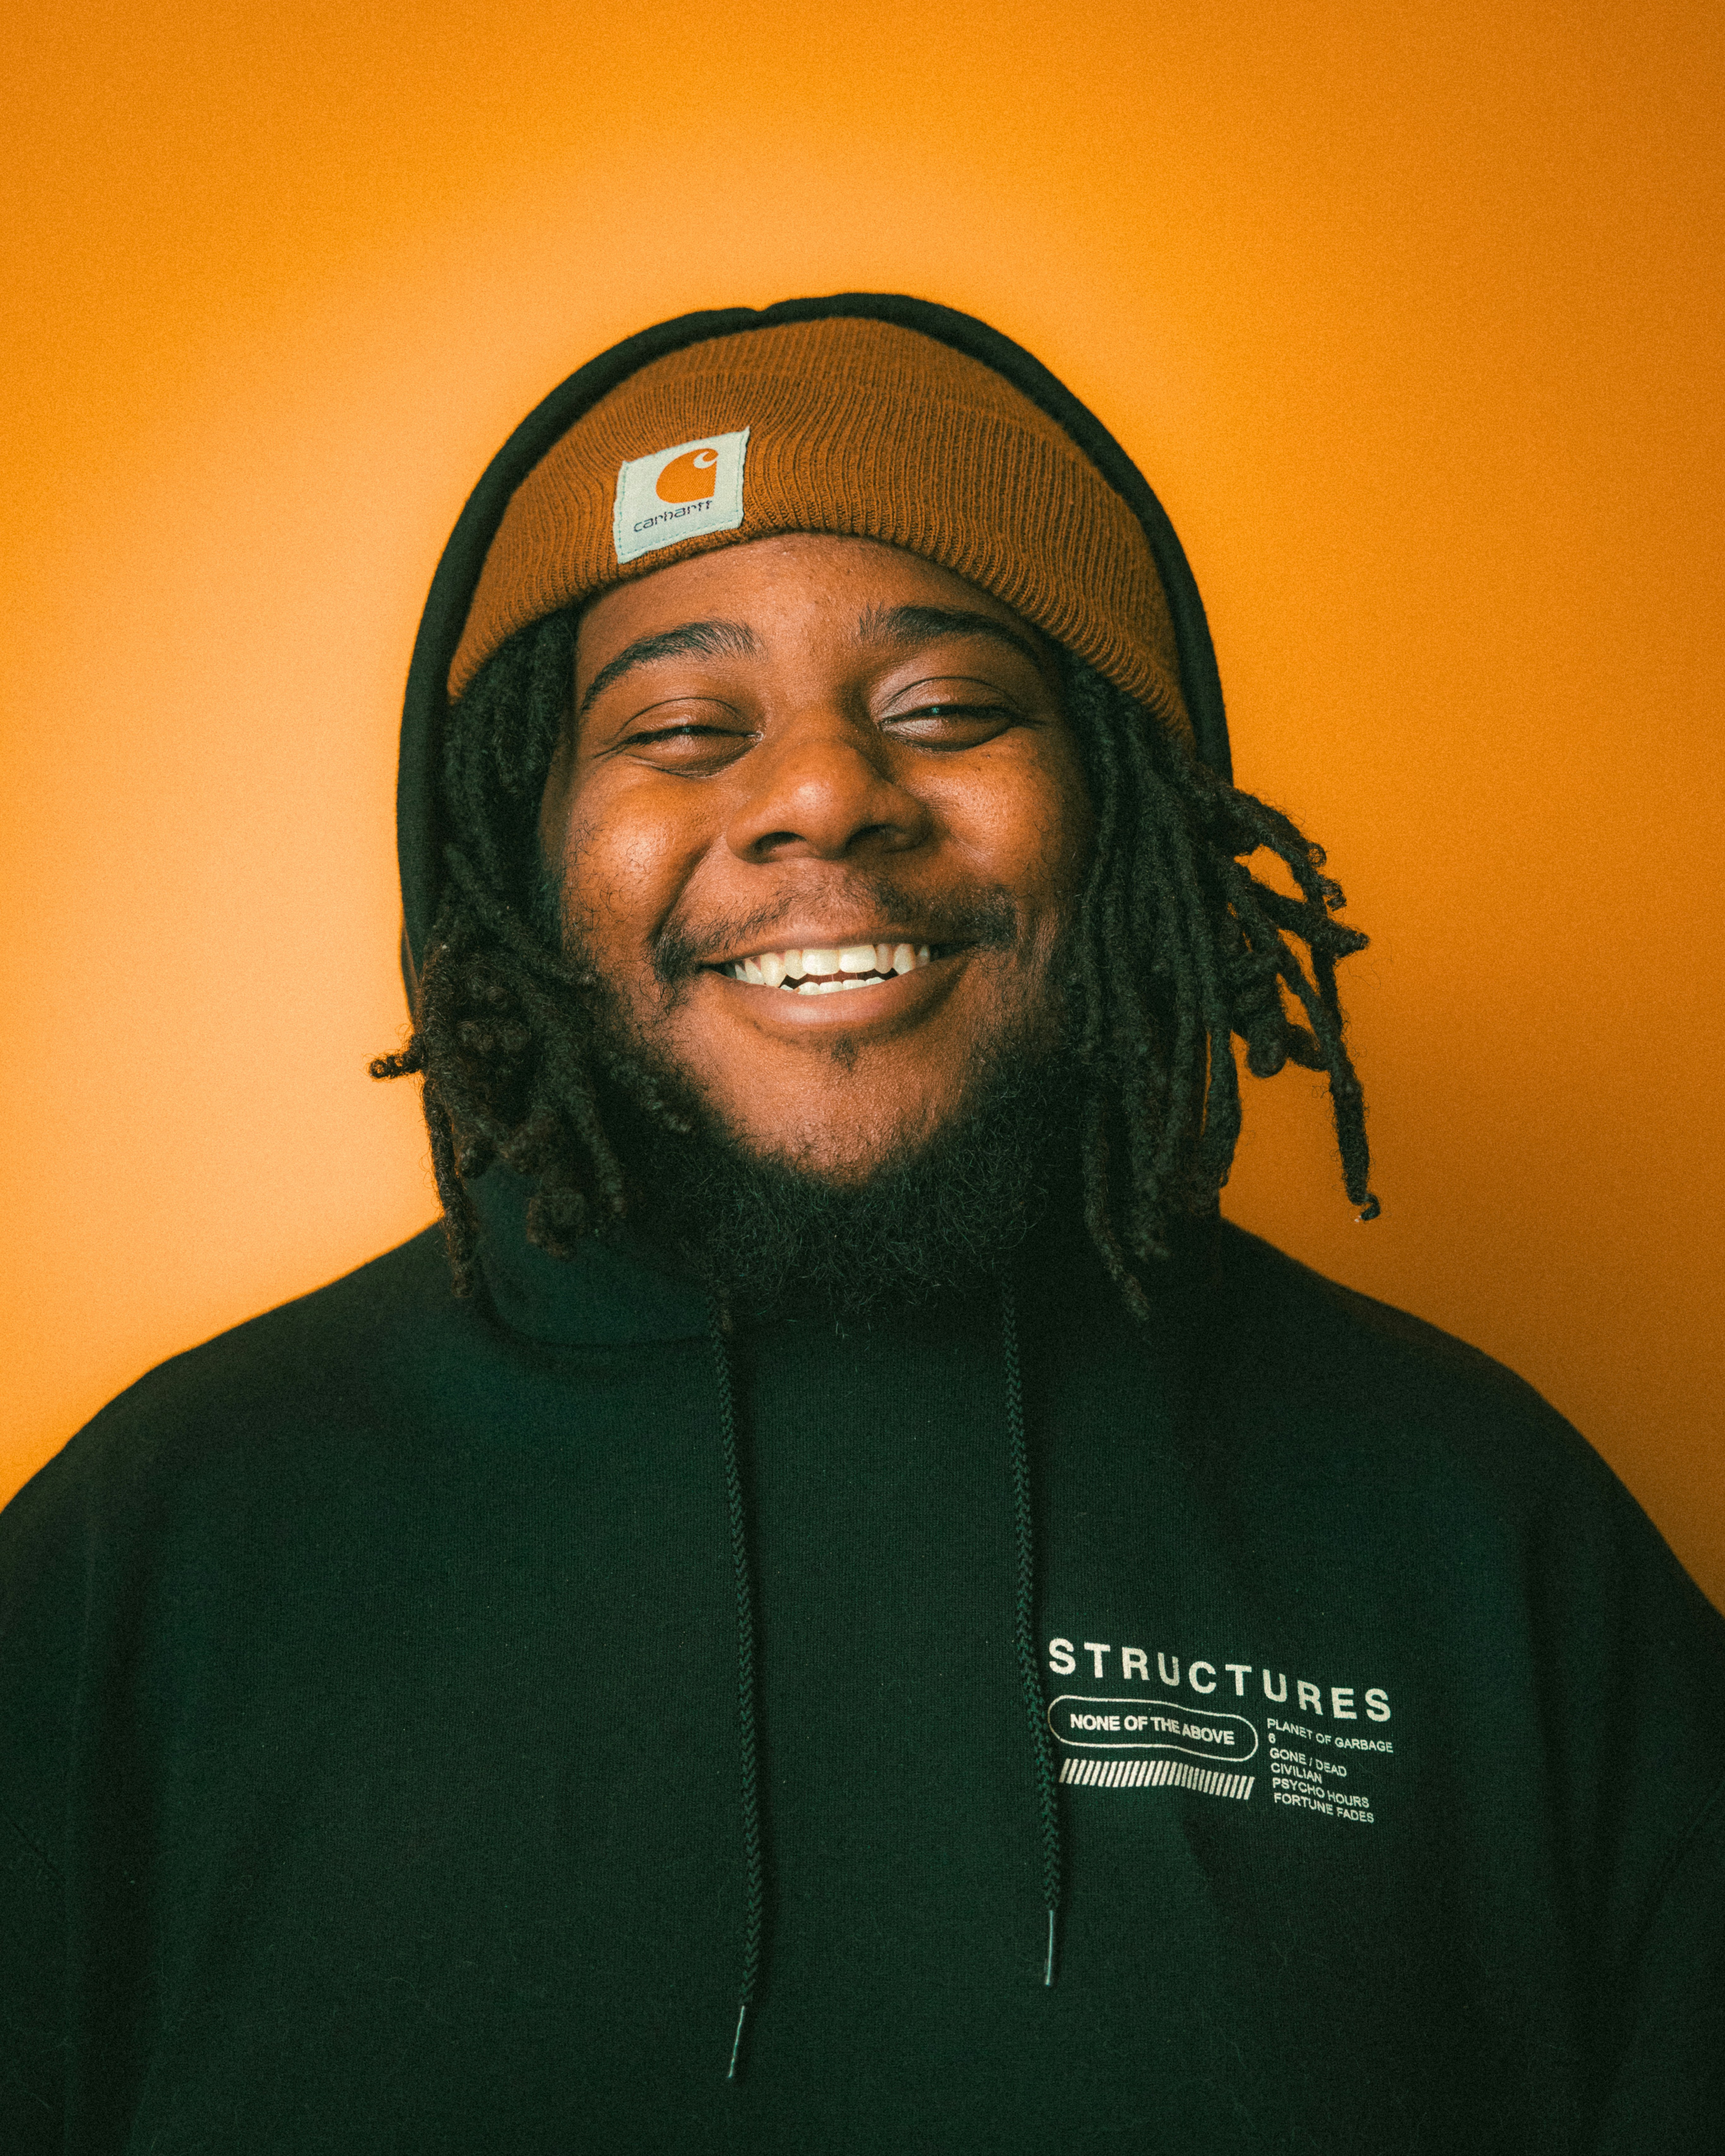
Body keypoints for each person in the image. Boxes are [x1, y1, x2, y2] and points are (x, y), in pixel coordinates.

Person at [2, 294, 1720, 2155]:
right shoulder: (161, 1549)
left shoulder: (1467, 1524)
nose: (821, 795)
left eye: (948, 708)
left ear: (1122, 813)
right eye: (676, 724)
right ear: (513, 846)